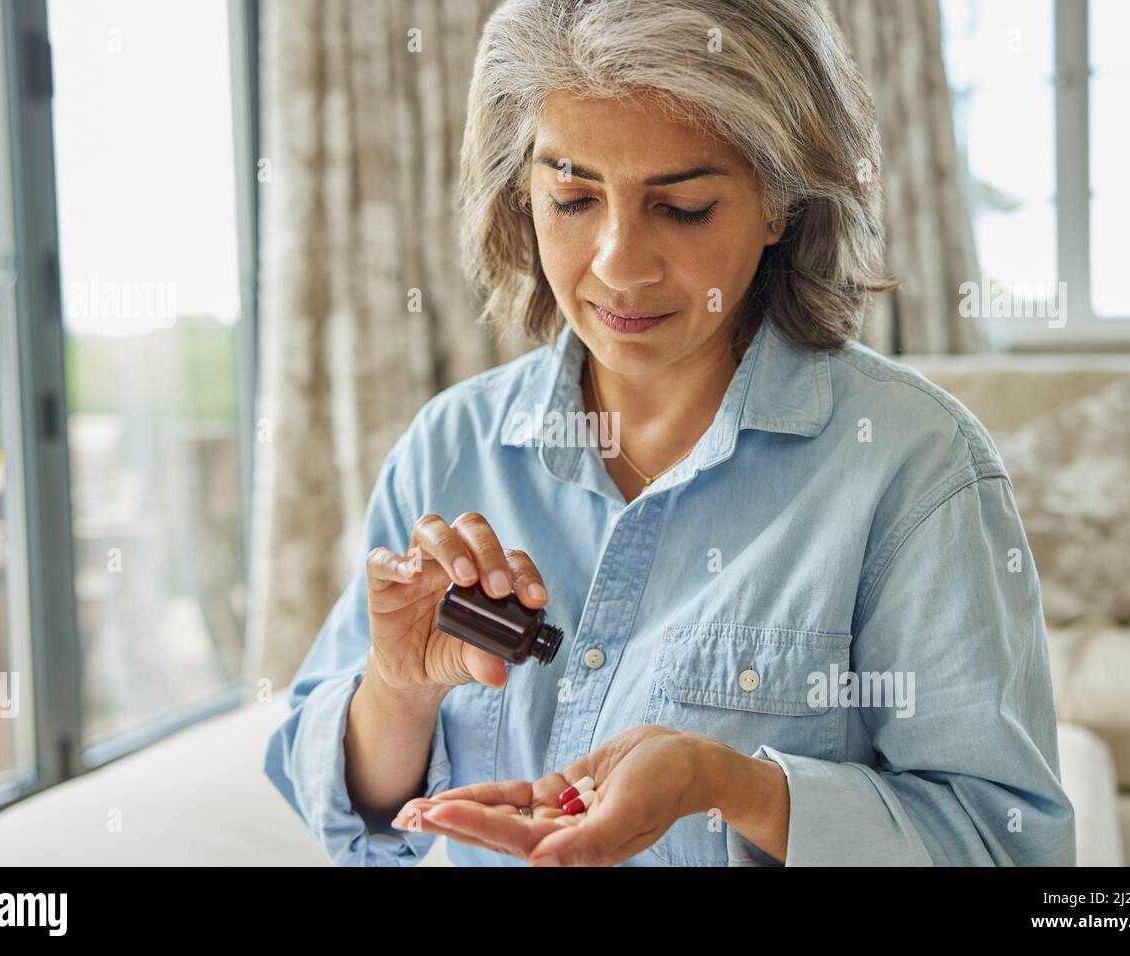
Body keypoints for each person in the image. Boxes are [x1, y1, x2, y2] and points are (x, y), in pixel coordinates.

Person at [263, 0, 1076, 867]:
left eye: (683, 206)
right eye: (573, 198)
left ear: (781, 205)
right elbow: (349, 816)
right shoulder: (450, 445)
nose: (619, 262)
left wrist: (731, 785)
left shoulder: (913, 467)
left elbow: (1006, 849)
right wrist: (398, 687)